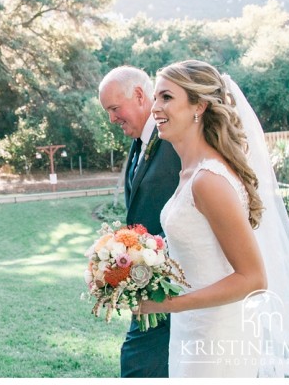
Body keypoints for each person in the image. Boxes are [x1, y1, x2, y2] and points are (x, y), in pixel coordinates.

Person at [141, 59, 289, 377]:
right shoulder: (189, 173)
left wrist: (168, 304)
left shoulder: (208, 180)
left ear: (199, 106)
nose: (155, 107)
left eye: (167, 97)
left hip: (216, 336)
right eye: (155, 97)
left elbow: (253, 279)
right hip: (193, 327)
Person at [98, 66, 180, 377]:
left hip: (172, 282)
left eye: (114, 109)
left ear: (139, 95)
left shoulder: (174, 142)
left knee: (137, 364)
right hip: (147, 281)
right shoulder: (140, 143)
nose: (112, 119)